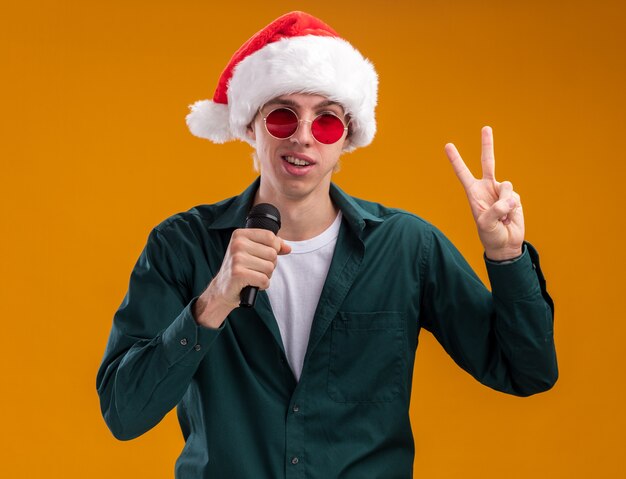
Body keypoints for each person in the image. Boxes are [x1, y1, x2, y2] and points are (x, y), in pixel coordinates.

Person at [96, 11, 558, 479]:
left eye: (327, 122)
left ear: (346, 141)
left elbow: (527, 371)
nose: (302, 136)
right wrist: (212, 302)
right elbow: (124, 412)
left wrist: (506, 256)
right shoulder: (181, 246)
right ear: (251, 127)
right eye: (282, 115)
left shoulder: (405, 247)